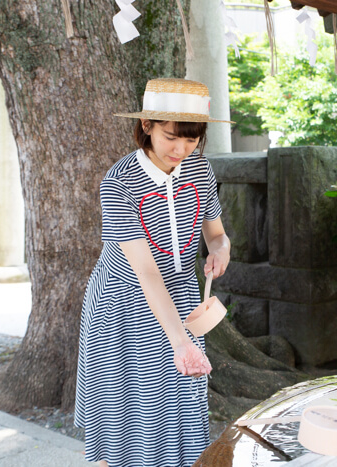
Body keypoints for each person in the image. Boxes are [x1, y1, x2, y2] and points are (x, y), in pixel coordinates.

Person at [74, 78, 232, 466]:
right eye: (171, 137)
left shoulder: (200, 169)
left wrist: (220, 252)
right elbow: (145, 272)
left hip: (179, 296)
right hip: (123, 303)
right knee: (126, 407)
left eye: (193, 139)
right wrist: (179, 341)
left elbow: (216, 235)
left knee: (179, 399)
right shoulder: (118, 183)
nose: (182, 149)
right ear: (147, 126)